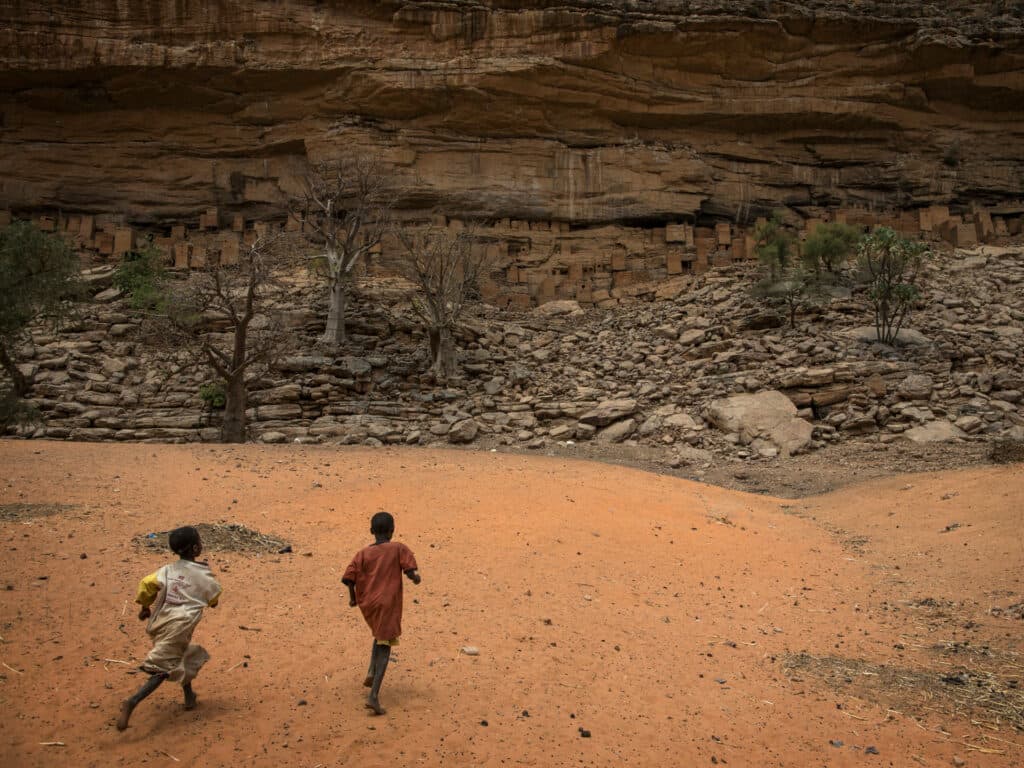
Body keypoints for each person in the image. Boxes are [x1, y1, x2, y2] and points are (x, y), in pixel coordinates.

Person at [116, 526, 222, 731]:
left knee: (179, 656)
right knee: (163, 668)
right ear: (195, 548)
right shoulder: (203, 575)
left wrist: (145, 607)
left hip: (160, 622)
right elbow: (214, 599)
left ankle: (189, 697)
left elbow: (146, 585)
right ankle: (133, 701)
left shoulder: (166, 570)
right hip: (178, 626)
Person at [342, 511, 420, 715]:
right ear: (392, 531)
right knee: (385, 646)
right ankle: (374, 696)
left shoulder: (362, 554)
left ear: (371, 531)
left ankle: (370, 671)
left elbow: (349, 577)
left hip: (368, 605)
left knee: (379, 636)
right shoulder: (398, 548)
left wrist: (352, 598)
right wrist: (415, 578)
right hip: (387, 603)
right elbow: (410, 571)